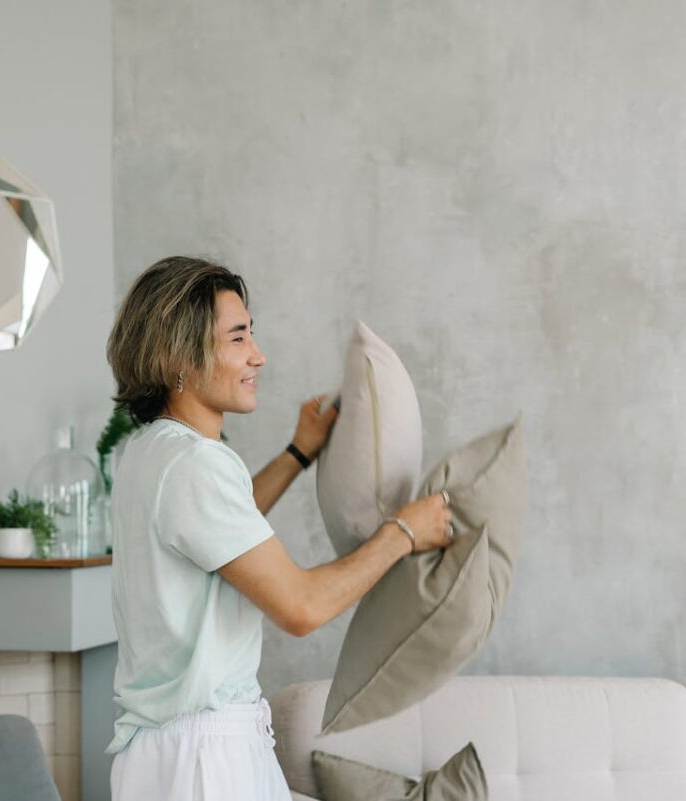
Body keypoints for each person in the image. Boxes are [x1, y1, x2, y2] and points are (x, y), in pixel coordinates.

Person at [104, 256, 453, 801]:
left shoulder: (149, 453)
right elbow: (300, 607)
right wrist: (404, 532)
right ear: (178, 356)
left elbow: (222, 534)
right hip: (207, 762)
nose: (258, 356)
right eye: (238, 338)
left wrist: (297, 453)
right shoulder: (197, 465)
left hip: (160, 756)